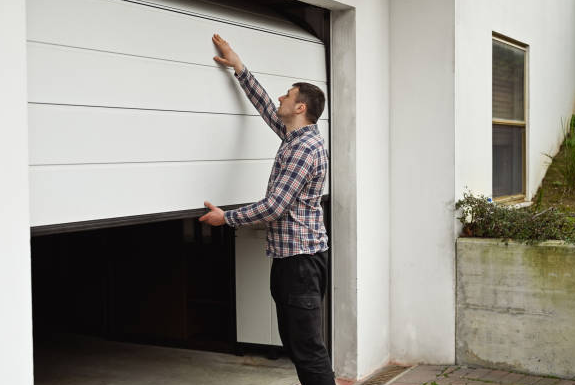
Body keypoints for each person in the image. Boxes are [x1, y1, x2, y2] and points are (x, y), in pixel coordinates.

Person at [199, 34, 335, 385]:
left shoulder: (302, 150)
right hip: (292, 260)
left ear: (301, 107)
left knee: (307, 348)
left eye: (287, 96)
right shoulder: (296, 138)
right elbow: (264, 106)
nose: (280, 97)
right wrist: (239, 66)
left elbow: (275, 207)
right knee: (297, 343)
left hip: (300, 264)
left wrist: (225, 218)